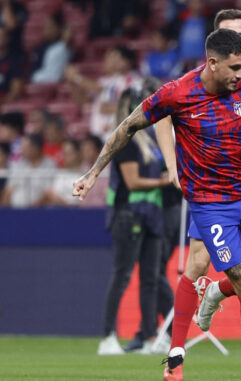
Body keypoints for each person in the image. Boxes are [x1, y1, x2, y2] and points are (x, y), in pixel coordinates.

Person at [73, 28, 241, 381]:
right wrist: (92, 174)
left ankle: (213, 292)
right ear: (212, 63)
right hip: (211, 205)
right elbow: (128, 126)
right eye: (235, 67)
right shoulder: (178, 94)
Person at [153, 9, 241, 379]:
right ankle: (176, 353)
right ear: (213, 50)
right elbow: (163, 117)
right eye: (230, 35)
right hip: (211, 192)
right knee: (198, 261)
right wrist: (172, 166)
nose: (240, 41)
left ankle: (218, 294)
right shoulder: (195, 83)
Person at [96, 81, 171, 356]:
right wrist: (166, 182)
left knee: (150, 277)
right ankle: (107, 336)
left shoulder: (149, 140)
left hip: (151, 216)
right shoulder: (125, 139)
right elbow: (133, 181)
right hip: (128, 214)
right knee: (122, 275)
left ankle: (151, 336)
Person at [1, 134, 56, 207]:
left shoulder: (50, 165)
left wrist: (31, 209)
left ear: (35, 148)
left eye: (25, 147)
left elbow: (49, 193)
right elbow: (9, 189)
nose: (22, 150)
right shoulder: (19, 164)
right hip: (15, 211)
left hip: (40, 211)